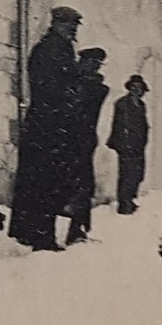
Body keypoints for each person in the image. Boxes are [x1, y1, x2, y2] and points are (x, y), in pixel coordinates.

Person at [9, 6, 82, 251]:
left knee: (43, 182)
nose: (72, 29)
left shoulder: (58, 49)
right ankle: (40, 237)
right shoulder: (52, 50)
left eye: (74, 25)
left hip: (49, 124)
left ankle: (34, 234)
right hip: (48, 125)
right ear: (57, 24)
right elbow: (52, 89)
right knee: (44, 182)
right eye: (68, 25)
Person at [64, 47, 109, 245]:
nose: (91, 67)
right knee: (76, 186)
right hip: (73, 141)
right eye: (90, 63)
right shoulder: (82, 85)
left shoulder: (95, 88)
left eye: (95, 64)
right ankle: (76, 228)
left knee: (82, 186)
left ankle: (77, 228)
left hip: (79, 141)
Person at [107, 74, 150, 215]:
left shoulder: (141, 105)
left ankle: (130, 199)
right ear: (130, 88)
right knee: (127, 174)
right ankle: (124, 204)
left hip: (138, 145)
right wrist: (123, 144)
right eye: (135, 87)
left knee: (137, 174)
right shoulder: (122, 104)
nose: (138, 91)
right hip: (127, 145)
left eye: (140, 88)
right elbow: (121, 125)